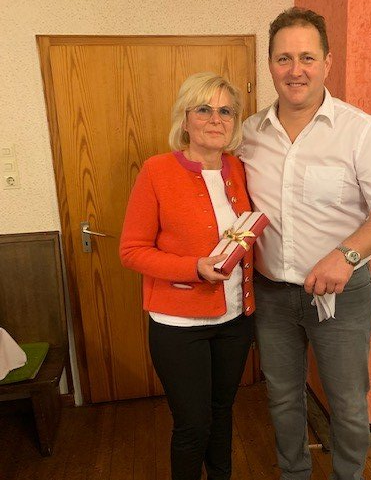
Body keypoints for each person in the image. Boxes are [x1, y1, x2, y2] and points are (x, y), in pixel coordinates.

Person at [237, 7, 371, 480]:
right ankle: (294, 474)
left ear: (327, 63)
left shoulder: (362, 131)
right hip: (272, 294)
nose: (296, 70)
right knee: (282, 397)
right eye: (284, 58)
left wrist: (346, 255)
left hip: (342, 295)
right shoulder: (249, 133)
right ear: (270, 64)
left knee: (348, 402)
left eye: (307, 58)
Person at [120, 72, 255, 480]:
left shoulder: (238, 168)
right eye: (204, 109)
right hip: (179, 326)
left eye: (226, 111)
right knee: (193, 424)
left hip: (235, 319)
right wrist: (192, 267)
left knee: (221, 412)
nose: (216, 119)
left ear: (235, 121)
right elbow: (132, 250)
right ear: (185, 118)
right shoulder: (157, 171)